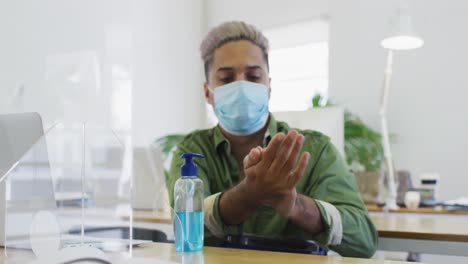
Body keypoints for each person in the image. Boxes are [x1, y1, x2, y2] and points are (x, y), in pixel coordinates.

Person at [167, 21, 378, 258]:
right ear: (208, 92)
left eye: (253, 76)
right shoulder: (192, 151)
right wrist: (248, 195)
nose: (241, 86)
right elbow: (183, 230)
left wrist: (297, 207)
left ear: (268, 87)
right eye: (226, 79)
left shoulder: (316, 150)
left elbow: (364, 240)